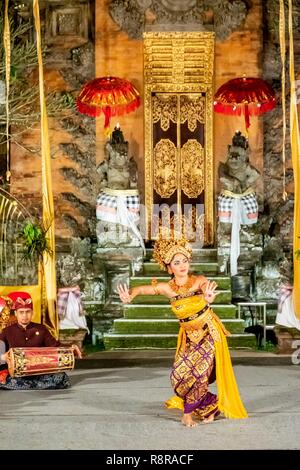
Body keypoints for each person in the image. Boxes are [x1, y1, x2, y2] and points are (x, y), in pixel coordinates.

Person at [117, 236, 248, 427]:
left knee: (199, 374)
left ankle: (187, 414)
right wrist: (131, 294)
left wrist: (208, 297)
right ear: (169, 267)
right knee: (178, 377)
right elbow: (142, 289)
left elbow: (206, 288)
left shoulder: (198, 281)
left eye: (184, 261)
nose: (182, 265)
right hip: (188, 337)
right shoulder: (167, 288)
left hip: (208, 332)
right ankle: (211, 405)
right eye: (176, 262)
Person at [0, 291, 82, 390]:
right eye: (21, 312)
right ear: (16, 313)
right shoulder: (7, 331)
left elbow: (56, 346)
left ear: (32, 313)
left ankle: (26, 386)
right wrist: (3, 357)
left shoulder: (41, 329)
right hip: (17, 374)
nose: (25, 316)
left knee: (60, 376)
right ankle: (35, 385)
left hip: (38, 372)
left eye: (28, 312)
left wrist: (70, 348)